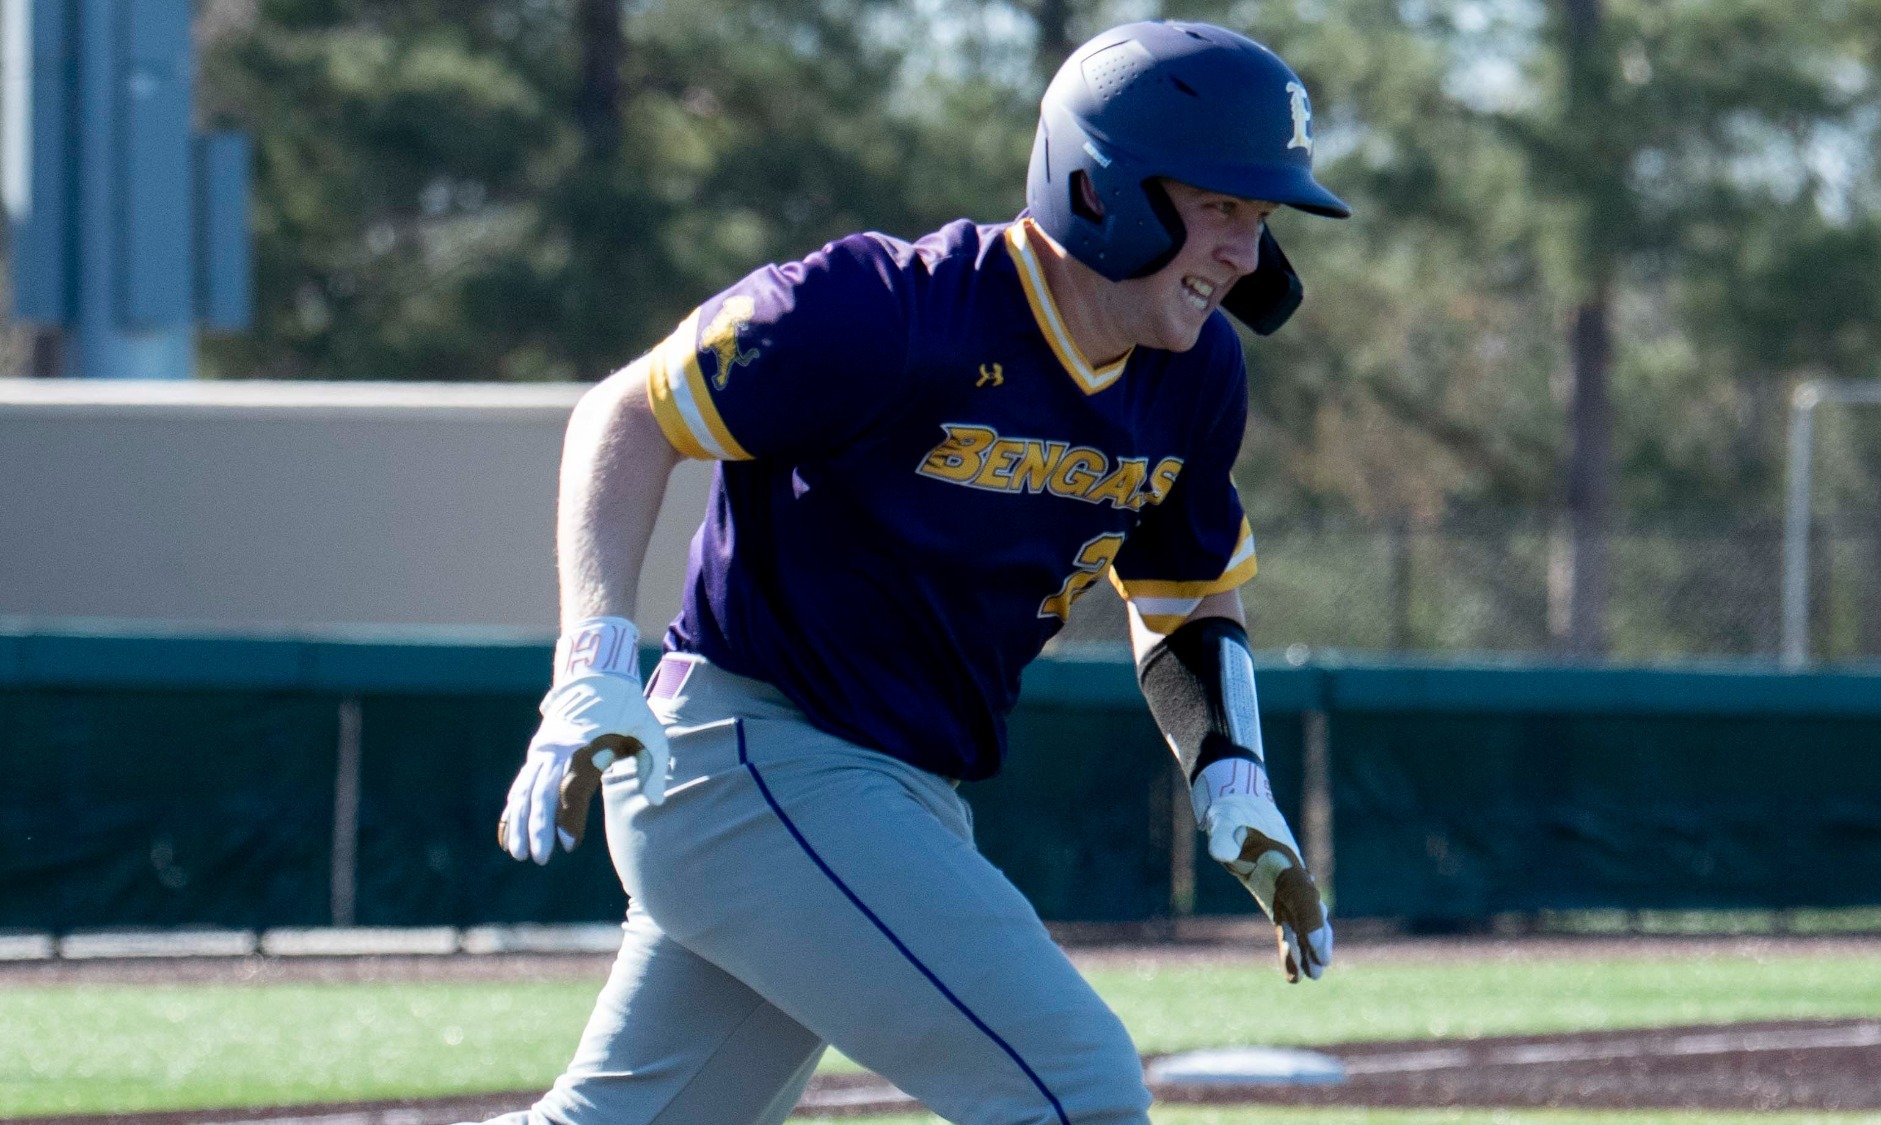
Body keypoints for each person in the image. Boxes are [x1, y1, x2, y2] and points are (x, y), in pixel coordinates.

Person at [490, 19, 1350, 1125]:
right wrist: (592, 656)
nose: (1245, 252)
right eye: (1222, 207)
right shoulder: (883, 308)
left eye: (1260, 216)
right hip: (752, 759)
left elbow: (1182, 591)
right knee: (1074, 1091)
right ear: (1101, 189)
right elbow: (627, 413)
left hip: (881, 793)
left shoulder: (1193, 374)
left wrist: (1231, 781)